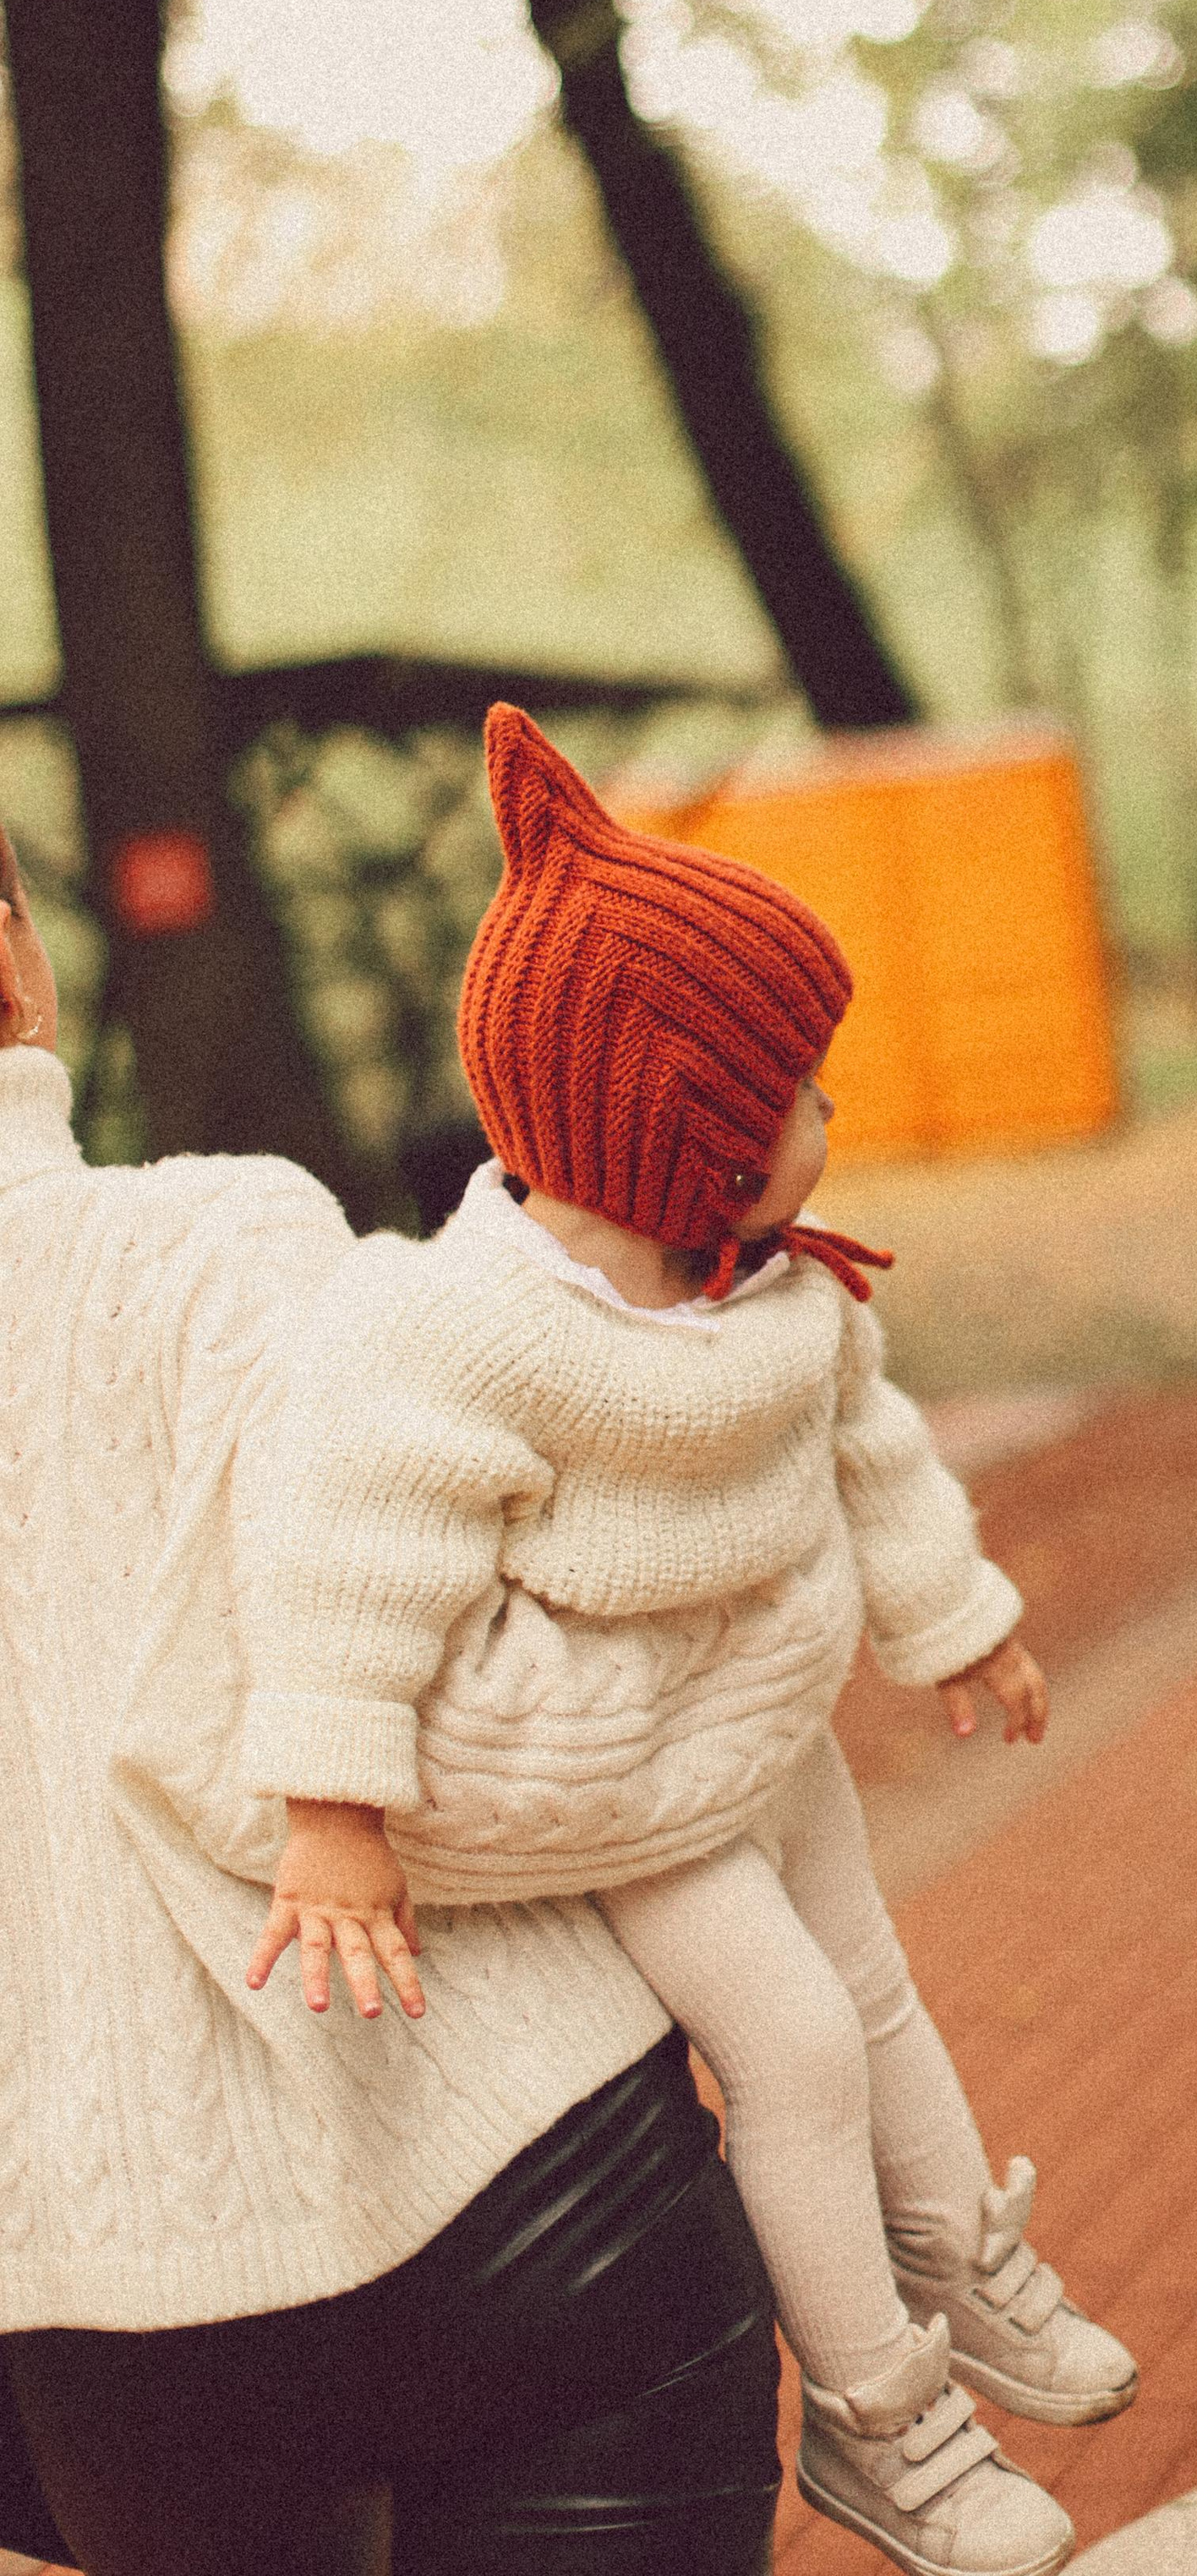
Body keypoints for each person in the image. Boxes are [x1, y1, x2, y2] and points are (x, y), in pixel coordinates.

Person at [241, 707, 1138, 2576]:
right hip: (628, 1784)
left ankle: (962, 2262)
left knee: (876, 1983)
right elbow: (356, 1547)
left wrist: (955, 1620)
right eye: (802, 1093)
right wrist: (336, 1803)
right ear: (696, 1145)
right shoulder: (474, 1335)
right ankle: (882, 2421)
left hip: (765, 1726)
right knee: (798, 2047)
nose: (834, 1120)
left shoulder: (771, 1287)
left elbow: (866, 1439)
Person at [0, 817, 782, 2576]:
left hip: (97, 2317)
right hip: (509, 2193)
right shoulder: (221, 1241)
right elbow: (484, 1712)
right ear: (14, 974)